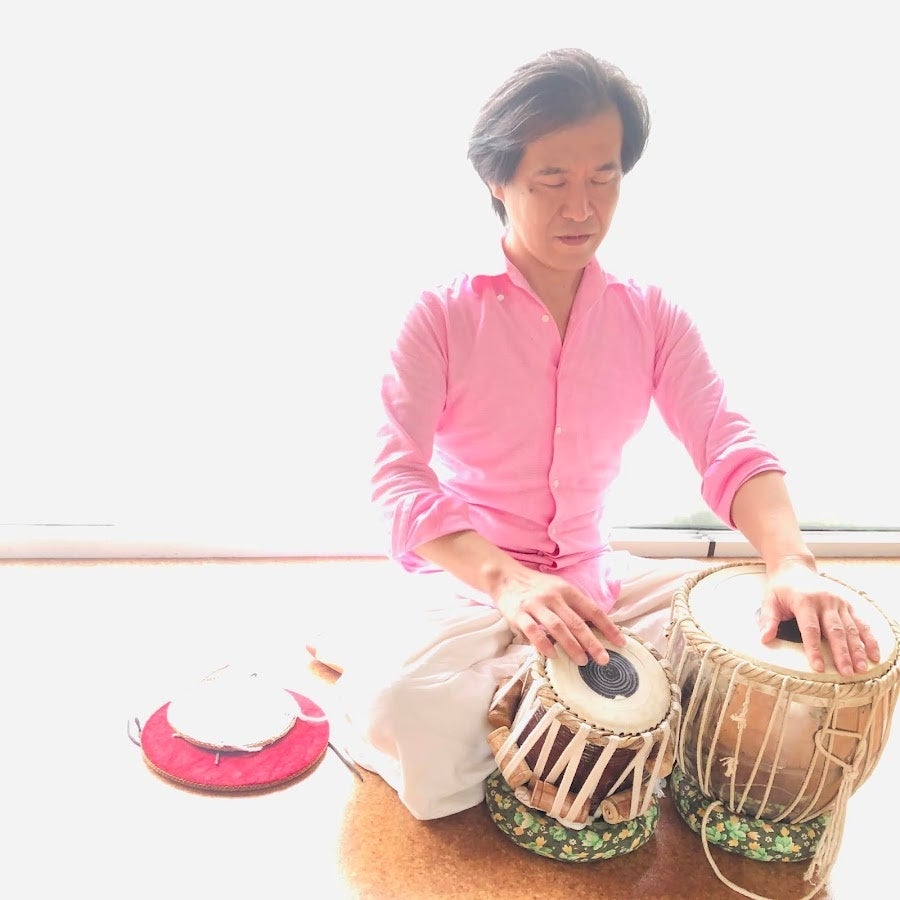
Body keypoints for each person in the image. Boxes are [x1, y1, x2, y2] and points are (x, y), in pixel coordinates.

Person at [308, 47, 881, 822]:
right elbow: (398, 479)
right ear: (497, 179)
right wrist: (510, 582)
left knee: (773, 634)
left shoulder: (651, 316)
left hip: (597, 584)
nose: (580, 208)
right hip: (471, 583)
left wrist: (792, 562)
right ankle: (540, 701)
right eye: (552, 179)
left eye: (603, 177)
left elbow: (726, 441)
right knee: (402, 706)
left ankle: (552, 712)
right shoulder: (440, 314)